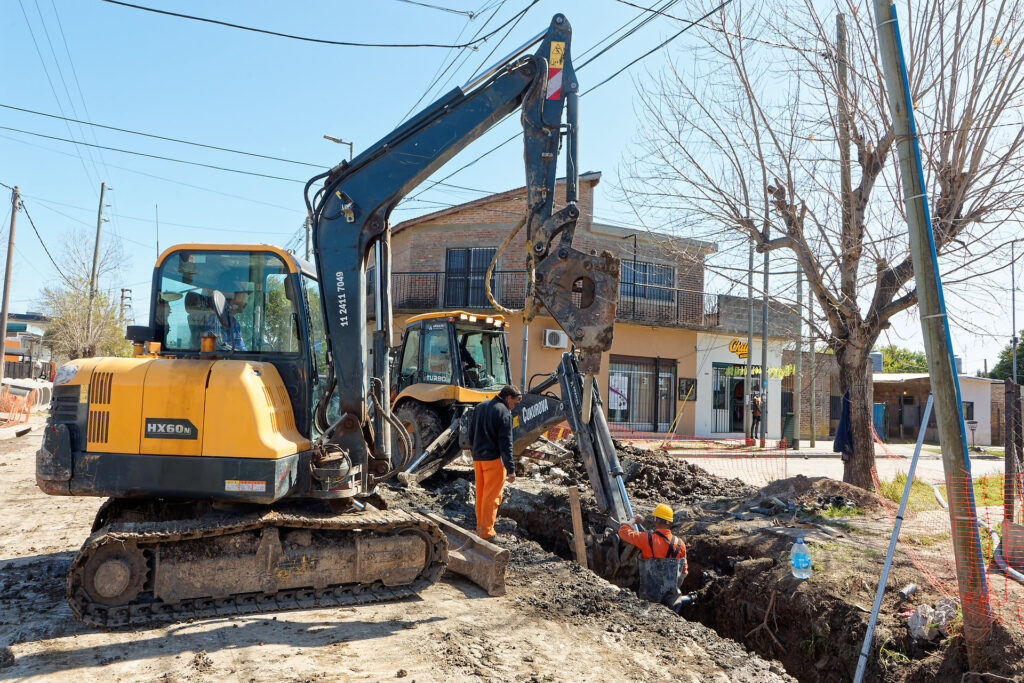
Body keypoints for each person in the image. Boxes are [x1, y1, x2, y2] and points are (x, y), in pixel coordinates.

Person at [470, 384, 521, 539]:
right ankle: (487, 532)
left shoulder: (480, 407)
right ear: (508, 398)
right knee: (492, 498)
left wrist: (475, 452)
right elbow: (506, 445)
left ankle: (480, 527)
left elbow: (471, 434)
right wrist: (511, 469)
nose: (514, 406)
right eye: (515, 402)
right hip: (493, 461)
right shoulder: (504, 413)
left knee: (481, 495)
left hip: (478, 459)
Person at [617, 504, 689, 612]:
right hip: (672, 601)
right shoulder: (680, 544)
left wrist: (632, 520)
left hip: (649, 599)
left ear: (654, 521)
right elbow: (683, 572)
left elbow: (623, 532)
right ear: (669, 522)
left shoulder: (647, 539)